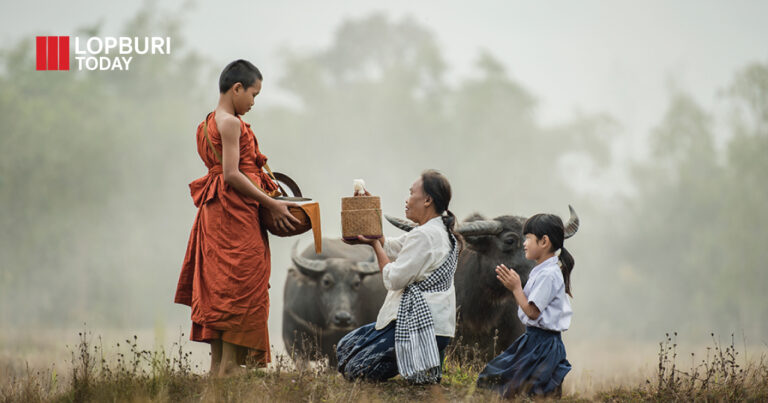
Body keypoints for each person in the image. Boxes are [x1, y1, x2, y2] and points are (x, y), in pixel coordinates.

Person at [174, 59, 300, 377]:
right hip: (234, 213)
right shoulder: (231, 123)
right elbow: (231, 174)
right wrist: (271, 203)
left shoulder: (206, 124)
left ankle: (218, 366)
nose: (253, 102)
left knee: (220, 284)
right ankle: (230, 366)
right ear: (237, 88)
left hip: (215, 213)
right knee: (241, 282)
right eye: (253, 95)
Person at [336, 170, 461, 384]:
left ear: (427, 200)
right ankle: (416, 363)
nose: (407, 200)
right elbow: (392, 247)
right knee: (345, 347)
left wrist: (374, 245)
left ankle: (416, 365)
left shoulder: (425, 235)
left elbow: (393, 279)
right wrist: (370, 211)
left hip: (421, 328)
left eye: (411, 193)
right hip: (434, 328)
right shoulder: (439, 231)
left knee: (356, 369)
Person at [476, 213, 575, 397]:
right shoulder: (542, 271)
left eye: (528, 238)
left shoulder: (548, 275)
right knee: (495, 379)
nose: (524, 243)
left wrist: (515, 288)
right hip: (532, 340)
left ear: (544, 242)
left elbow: (532, 312)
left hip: (542, 345)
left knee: (531, 392)